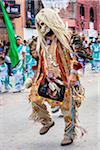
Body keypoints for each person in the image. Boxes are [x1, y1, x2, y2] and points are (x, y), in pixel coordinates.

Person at [29, 8, 84, 146]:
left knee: (67, 108)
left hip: (65, 78)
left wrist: (74, 73)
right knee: (34, 98)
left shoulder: (68, 37)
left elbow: (78, 56)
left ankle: (69, 133)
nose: (42, 27)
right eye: (39, 25)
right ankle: (47, 121)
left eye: (44, 23)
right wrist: (34, 76)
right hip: (46, 78)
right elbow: (39, 60)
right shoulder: (40, 41)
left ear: (51, 21)